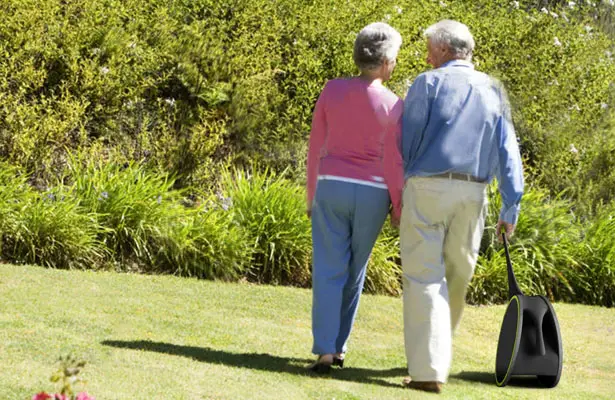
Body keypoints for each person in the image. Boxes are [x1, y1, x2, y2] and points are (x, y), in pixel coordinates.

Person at [399, 20, 524, 393]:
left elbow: (408, 138)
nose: (426, 56)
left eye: (429, 50)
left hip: (427, 186)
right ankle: (436, 359)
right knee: (458, 276)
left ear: (441, 51)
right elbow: (508, 152)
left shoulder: (427, 83)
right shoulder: (493, 89)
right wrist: (510, 206)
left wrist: (402, 181)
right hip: (473, 192)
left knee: (423, 277)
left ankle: (428, 371)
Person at [306, 22, 405, 373]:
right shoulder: (395, 105)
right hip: (373, 193)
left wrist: (311, 193)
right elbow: (395, 161)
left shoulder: (331, 90)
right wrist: (398, 203)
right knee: (354, 270)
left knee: (329, 268)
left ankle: (325, 351)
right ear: (386, 62)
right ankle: (340, 346)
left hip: (331, 185)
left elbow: (316, 144)